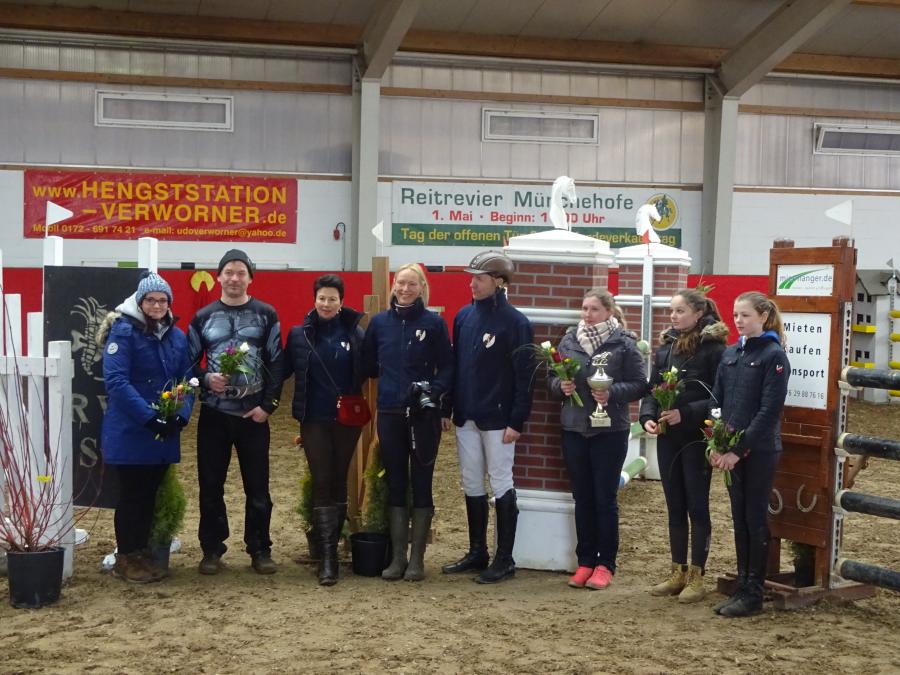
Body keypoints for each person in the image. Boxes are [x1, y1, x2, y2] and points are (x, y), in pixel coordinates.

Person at [187, 249, 284, 575]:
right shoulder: (202, 317)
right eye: (228, 272)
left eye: (240, 272)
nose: (234, 278)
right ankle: (212, 549)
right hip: (214, 415)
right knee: (210, 486)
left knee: (258, 488)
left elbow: (276, 361)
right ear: (218, 277)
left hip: (252, 415)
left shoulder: (266, 314)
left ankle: (260, 548)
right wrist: (204, 378)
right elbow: (186, 363)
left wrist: (268, 406)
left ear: (250, 278)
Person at [442, 251, 534, 584]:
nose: (472, 283)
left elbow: (525, 376)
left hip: (498, 420)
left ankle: (505, 558)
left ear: (498, 282)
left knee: (500, 483)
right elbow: (456, 365)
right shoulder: (464, 317)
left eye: (478, 279)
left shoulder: (516, 323)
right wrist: (448, 407)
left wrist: (516, 421)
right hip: (466, 414)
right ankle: (477, 550)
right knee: (470, 482)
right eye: (472, 278)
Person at [549, 289, 647, 590]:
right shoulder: (569, 341)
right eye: (584, 308)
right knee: (583, 498)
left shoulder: (624, 344)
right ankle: (585, 561)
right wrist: (560, 386)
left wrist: (611, 393)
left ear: (608, 311)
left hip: (610, 430)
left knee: (604, 500)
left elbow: (640, 384)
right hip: (575, 427)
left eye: (593, 309)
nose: (587, 314)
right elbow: (551, 378)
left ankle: (606, 564)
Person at [100, 272, 194, 583]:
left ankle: (141, 552)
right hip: (131, 429)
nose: (156, 305)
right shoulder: (124, 332)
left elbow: (186, 379)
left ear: (169, 303)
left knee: (149, 494)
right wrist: (148, 416)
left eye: (162, 300)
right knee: (132, 495)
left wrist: (180, 414)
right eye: (150, 300)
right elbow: (117, 381)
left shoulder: (176, 337)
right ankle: (126, 556)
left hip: (162, 431)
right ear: (140, 302)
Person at [363, 263, 453, 582]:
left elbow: (447, 366)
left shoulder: (434, 324)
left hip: (423, 416)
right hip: (389, 411)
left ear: (421, 288)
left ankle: (417, 559)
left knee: (422, 481)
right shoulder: (380, 324)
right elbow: (368, 363)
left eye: (412, 284)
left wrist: (435, 392)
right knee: (397, 482)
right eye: (401, 283)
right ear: (393, 286)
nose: (405, 289)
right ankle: (398, 557)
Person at [639, 288, 728, 603]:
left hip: (695, 438)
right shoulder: (666, 347)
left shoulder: (714, 349)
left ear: (698, 313)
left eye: (679, 311)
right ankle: (677, 570)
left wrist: (685, 413)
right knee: (674, 504)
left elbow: (719, 396)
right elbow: (653, 388)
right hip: (668, 438)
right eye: (671, 311)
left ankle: (697, 575)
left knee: (697, 506)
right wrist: (648, 415)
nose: (673, 316)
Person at [709, 291, 790, 617]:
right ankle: (742, 584)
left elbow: (769, 410)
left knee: (754, 519)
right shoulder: (731, 353)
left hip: (758, 451)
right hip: (730, 450)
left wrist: (739, 450)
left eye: (745, 315)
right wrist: (715, 441)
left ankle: (754, 592)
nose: (738, 320)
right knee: (739, 518)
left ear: (763, 317)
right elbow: (717, 399)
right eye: (736, 314)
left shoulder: (774, 356)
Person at [284, 274, 366, 586]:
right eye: (322, 298)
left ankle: (334, 546)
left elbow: (370, 367)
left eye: (333, 299)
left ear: (341, 301)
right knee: (321, 480)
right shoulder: (299, 335)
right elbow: (282, 368)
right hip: (313, 418)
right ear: (314, 300)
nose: (327, 303)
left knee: (339, 478)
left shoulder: (355, 333)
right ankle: (327, 558)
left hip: (347, 419)